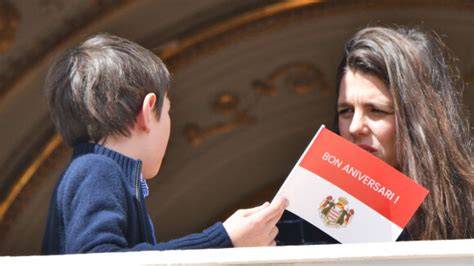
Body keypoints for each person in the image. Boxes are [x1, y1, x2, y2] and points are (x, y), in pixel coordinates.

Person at [42, 33, 288, 254]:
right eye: (168, 110)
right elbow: (98, 260)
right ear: (148, 112)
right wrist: (224, 241)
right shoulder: (97, 169)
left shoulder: (97, 170)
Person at [276, 26, 473, 245]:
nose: (354, 127)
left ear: (419, 120)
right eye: (346, 111)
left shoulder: (467, 208)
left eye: (376, 110)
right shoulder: (304, 212)